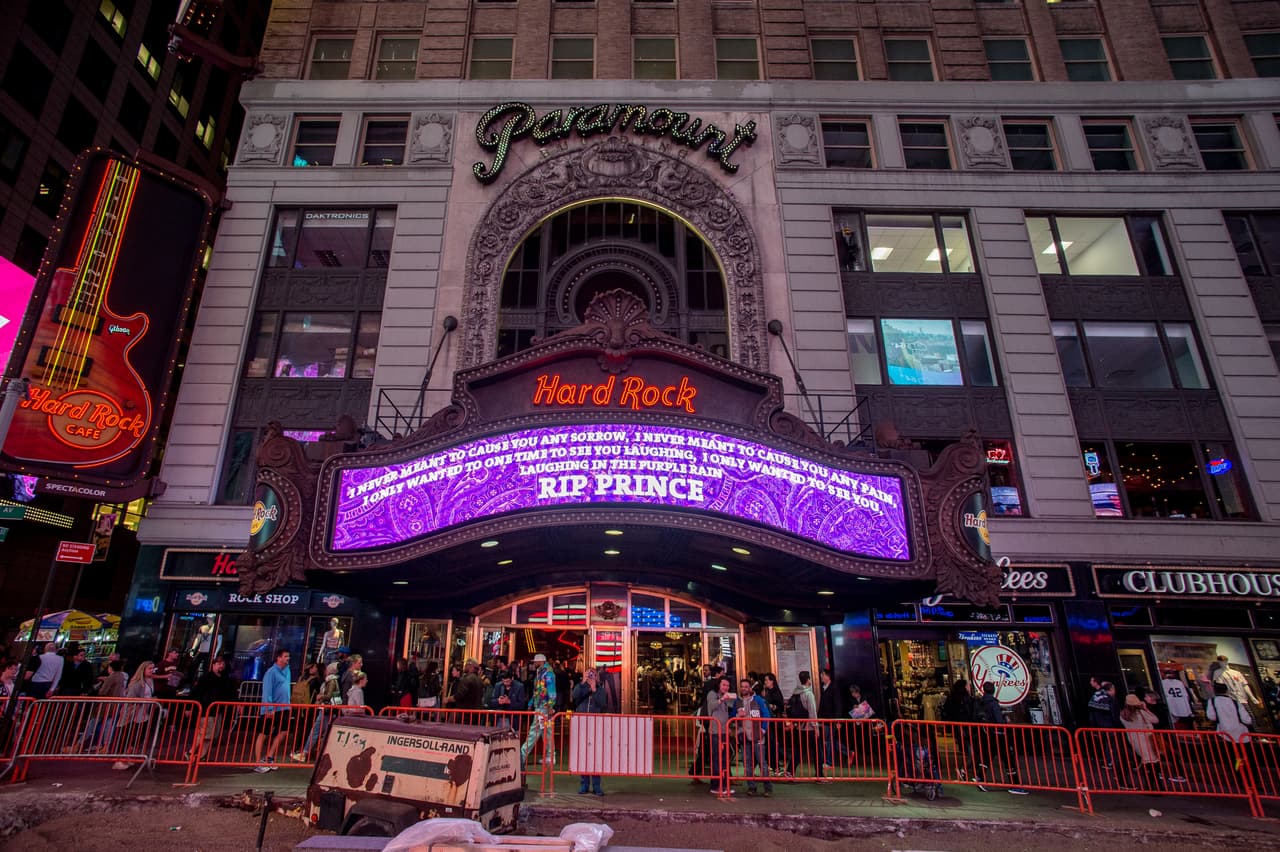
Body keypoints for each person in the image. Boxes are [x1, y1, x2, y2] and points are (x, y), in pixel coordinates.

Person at [972, 681, 1027, 795]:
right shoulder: (993, 703)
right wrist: (1004, 719)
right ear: (993, 690)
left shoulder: (980, 702)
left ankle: (979, 777)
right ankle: (1014, 784)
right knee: (1007, 758)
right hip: (998, 734)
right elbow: (998, 720)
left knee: (988, 756)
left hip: (987, 733)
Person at [571, 667, 611, 796]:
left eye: (593, 674)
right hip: (582, 725)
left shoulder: (600, 689)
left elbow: (603, 703)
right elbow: (574, 696)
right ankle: (584, 784)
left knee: (595, 756)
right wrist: (583, 682)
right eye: (588, 674)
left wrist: (594, 689)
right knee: (583, 755)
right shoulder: (580, 687)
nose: (591, 676)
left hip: (595, 726)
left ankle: (597, 785)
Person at [190, 655, 237, 759]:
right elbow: (195, 692)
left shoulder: (224, 678)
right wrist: (190, 707)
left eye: (223, 664)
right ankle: (191, 752)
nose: (221, 666)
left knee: (211, 735)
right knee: (204, 733)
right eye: (219, 664)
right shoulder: (206, 678)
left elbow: (230, 692)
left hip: (217, 710)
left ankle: (201, 755)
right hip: (206, 709)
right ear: (213, 665)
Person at [254, 649, 292, 773]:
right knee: (263, 733)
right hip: (271, 708)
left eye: (288, 656)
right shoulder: (271, 672)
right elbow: (267, 691)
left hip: (284, 707)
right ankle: (257, 761)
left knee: (283, 731)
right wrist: (269, 707)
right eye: (285, 656)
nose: (288, 658)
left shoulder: (287, 670)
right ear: (278, 658)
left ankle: (269, 757)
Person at [114, 661, 155, 771]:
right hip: (133, 713)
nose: (152, 670)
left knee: (138, 736)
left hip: (143, 713)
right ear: (143, 670)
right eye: (150, 668)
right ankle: (121, 759)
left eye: (152, 668)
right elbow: (131, 698)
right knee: (128, 735)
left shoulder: (150, 681)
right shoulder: (137, 683)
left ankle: (127, 756)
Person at [1119, 693, 1164, 789]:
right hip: (1146, 738)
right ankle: (1155, 785)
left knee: (1146, 760)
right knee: (1152, 761)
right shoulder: (1140, 713)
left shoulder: (1123, 715)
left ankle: (1149, 785)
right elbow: (1156, 720)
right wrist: (1146, 709)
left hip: (1134, 739)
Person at [737, 677, 773, 797]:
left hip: (758, 736)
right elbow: (732, 716)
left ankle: (768, 787)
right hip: (744, 736)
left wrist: (763, 729)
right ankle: (751, 787)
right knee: (747, 764)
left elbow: (766, 715)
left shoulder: (758, 700)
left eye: (746, 687)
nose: (744, 689)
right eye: (742, 687)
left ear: (750, 688)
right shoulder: (738, 701)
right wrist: (737, 715)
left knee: (762, 763)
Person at [706, 675, 740, 795]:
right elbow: (711, 706)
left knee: (725, 758)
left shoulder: (727, 697)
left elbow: (731, 707)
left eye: (728, 685)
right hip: (716, 731)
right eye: (724, 685)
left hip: (725, 730)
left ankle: (724, 784)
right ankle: (716, 785)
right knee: (717, 758)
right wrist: (722, 699)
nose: (726, 687)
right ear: (719, 685)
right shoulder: (712, 694)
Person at [521, 654, 556, 766]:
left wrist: (550, 705)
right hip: (543, 706)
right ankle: (550, 756)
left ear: (540, 661)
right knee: (547, 732)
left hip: (543, 707)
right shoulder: (542, 673)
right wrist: (531, 703)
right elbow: (538, 691)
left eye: (535, 662)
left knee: (534, 731)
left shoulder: (547, 674)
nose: (534, 663)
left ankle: (522, 755)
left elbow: (551, 691)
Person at [760, 672, 787, 777]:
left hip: (774, 721)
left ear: (772, 681)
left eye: (767, 680)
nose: (765, 682)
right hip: (769, 721)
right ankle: (773, 765)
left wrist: (771, 706)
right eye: (765, 680)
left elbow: (779, 706)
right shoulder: (768, 692)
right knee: (769, 744)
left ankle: (776, 766)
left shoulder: (775, 692)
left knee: (773, 743)